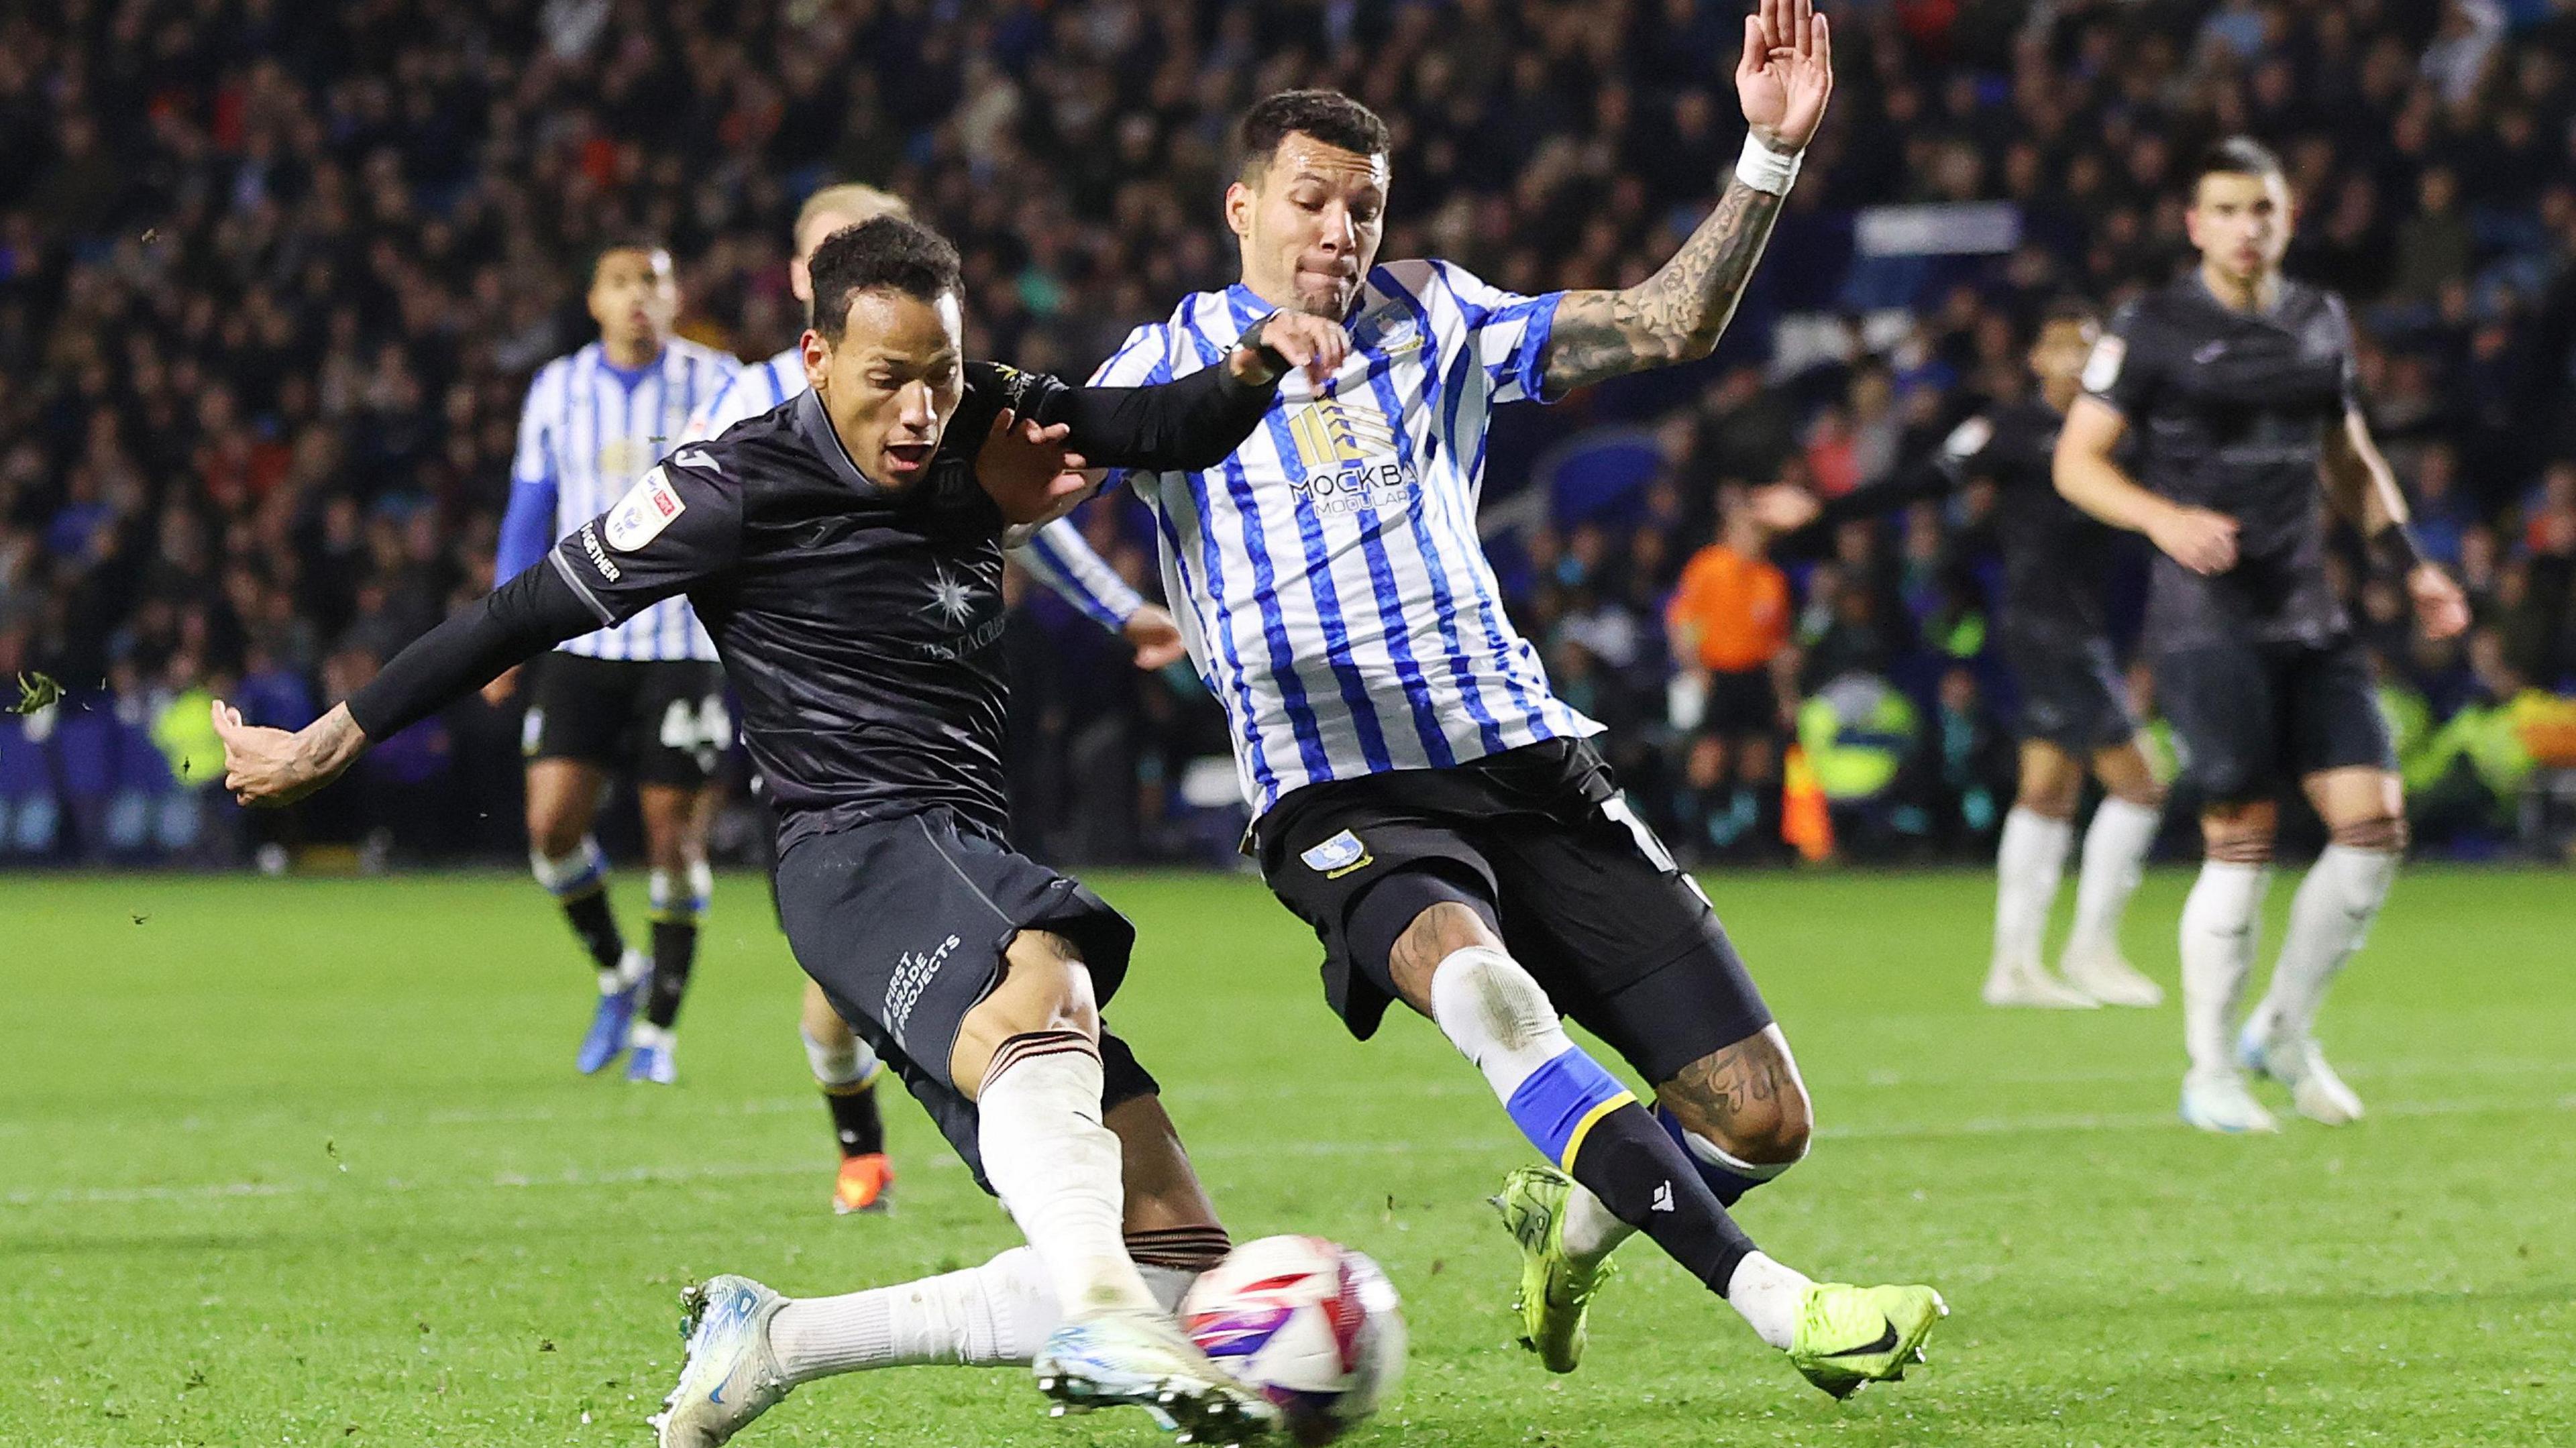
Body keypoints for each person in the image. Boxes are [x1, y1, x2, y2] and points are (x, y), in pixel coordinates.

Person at [209, 216, 1352, 1446]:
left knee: (1178, 1246)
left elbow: (1153, 425)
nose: (922, 411)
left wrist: (1254, 366)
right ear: (816, 356)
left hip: (954, 841)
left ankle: (782, 1337)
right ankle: (1099, 1311)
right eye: (889, 380)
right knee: (1048, 974)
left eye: (943, 376)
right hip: (855, 847)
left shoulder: (982, 415)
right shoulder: (729, 482)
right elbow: (523, 608)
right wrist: (331, 736)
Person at [1097, 1, 1945, 1401]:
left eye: (1364, 204)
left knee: (1761, 1116)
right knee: (1489, 992)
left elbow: (1670, 323)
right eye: (1310, 200)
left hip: (1528, 755)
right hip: (1339, 790)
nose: (1340, 229)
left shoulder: (1438, 314)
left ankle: (1577, 1216)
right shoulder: (1160, 368)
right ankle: (1785, 1302)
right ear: (1243, 207)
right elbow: (1020, 482)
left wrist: (1769, 154)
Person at [680, 182, 1189, 1216]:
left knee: (871, 983)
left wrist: (1119, 607)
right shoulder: (740, 414)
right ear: (802, 279)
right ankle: (866, 1146)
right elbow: (676, 541)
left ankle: (1063, 1224)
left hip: (942, 721)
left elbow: (1021, 510)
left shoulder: (941, 396)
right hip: (813, 725)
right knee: (877, 966)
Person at [2053, 137, 2471, 1133]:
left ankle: (2281, 1029)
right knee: (2241, 836)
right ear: (2197, 224)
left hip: (2309, 611)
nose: (2249, 228)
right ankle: (2208, 1070)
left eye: (2265, 210)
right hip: (2207, 623)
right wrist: (2162, 518)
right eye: (2229, 210)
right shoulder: (2152, 327)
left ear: (2288, 219)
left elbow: (2350, 453)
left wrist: (2415, 563)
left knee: (2375, 830)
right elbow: (2079, 461)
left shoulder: (2319, 317)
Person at [1762, 301, 2169, 1009]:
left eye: (2090, 346)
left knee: (2048, 791)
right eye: (2062, 345)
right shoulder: (2011, 429)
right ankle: (2091, 950)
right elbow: (1923, 480)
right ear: (2037, 360)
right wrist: (1823, 511)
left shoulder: (2118, 433)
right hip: (2047, 628)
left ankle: (2013, 966)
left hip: (2084, 626)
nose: (2077, 357)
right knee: (2141, 784)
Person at [484, 242, 741, 1084]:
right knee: (550, 829)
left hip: (682, 643)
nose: (639, 297)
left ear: (675, 297)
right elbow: (529, 512)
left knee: (674, 838)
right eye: (623, 283)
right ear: (595, 300)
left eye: (655, 283)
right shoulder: (557, 388)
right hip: (581, 637)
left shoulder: (717, 381)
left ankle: (660, 1031)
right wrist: (502, 630)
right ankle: (618, 971)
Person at [1664, 482, 1797, 862]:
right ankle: (1697, 841)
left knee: (1758, 757)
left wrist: (1786, 696)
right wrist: (1695, 668)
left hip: (1755, 676)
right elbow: (1683, 622)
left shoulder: (1771, 580)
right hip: (1718, 673)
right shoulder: (1708, 568)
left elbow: (1777, 645)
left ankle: (1759, 841)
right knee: (1710, 756)